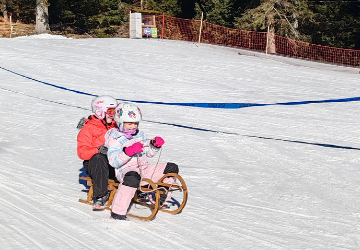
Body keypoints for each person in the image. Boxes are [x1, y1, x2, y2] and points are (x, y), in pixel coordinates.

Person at [105, 102, 179, 220]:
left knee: (171, 168)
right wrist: (128, 152)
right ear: (120, 122)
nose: (133, 126)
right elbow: (113, 161)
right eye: (129, 124)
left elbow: (148, 154)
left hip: (143, 169)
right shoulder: (115, 139)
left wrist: (154, 146)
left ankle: (159, 196)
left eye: (135, 123)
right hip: (126, 171)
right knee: (132, 176)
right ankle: (117, 212)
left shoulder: (140, 134)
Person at [77, 95, 118, 210]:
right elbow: (81, 152)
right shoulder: (88, 128)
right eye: (110, 111)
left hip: (112, 161)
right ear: (100, 111)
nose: (113, 115)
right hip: (94, 164)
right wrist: (97, 150)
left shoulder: (116, 126)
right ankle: (101, 195)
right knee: (99, 157)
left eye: (115, 111)